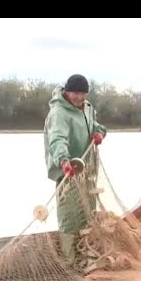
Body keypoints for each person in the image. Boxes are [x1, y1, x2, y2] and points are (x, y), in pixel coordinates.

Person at [44, 74, 107, 265]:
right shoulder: (59, 113)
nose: (79, 97)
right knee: (69, 216)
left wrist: (100, 132)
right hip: (68, 170)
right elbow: (57, 140)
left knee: (88, 214)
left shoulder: (87, 108)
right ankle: (69, 263)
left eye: (83, 93)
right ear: (67, 91)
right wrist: (64, 161)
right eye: (75, 93)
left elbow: (94, 126)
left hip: (86, 170)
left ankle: (85, 258)